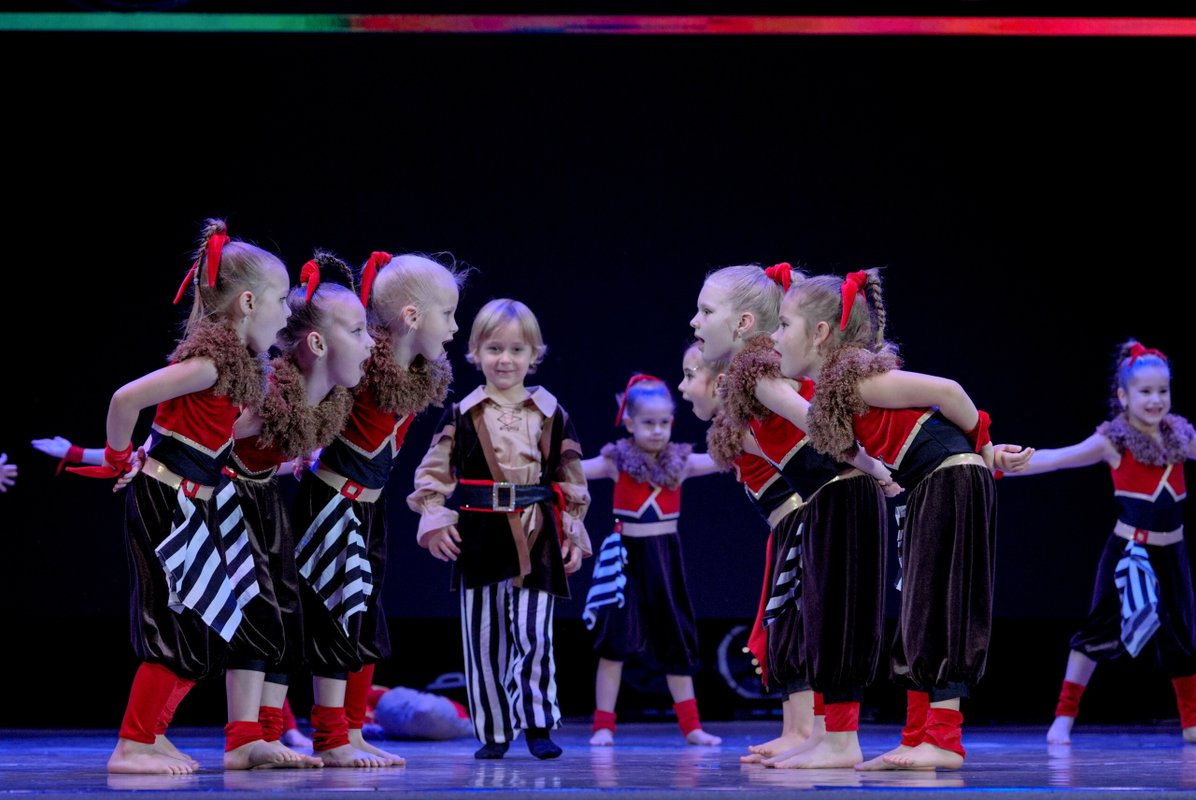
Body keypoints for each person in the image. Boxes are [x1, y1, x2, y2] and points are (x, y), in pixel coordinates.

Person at [771, 268, 1030, 770]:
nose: (776, 337)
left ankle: (945, 741)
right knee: (919, 611)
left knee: (943, 606)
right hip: (929, 483)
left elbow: (949, 392)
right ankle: (916, 737)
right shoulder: (837, 390)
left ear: (820, 333)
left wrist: (986, 449)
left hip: (949, 479)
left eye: (783, 325)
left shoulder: (861, 380)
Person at [70, 219, 291, 774]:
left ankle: (153, 733)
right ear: (247, 303)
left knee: (205, 619)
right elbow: (125, 400)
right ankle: (132, 745)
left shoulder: (235, 370)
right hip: (166, 502)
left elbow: (214, 431)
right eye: (283, 301)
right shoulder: (209, 364)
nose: (288, 314)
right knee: (174, 622)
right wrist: (119, 457)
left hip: (194, 503)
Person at [693, 262, 895, 769]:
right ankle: (825, 736)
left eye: (705, 312)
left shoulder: (759, 373)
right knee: (824, 621)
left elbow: (813, 419)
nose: (695, 323)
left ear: (742, 323)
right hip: (828, 497)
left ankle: (840, 741)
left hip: (843, 492)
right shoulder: (752, 374)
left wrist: (877, 468)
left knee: (839, 619)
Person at [290, 251, 462, 767]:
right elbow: (312, 394)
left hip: (369, 509)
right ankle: (328, 737)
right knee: (336, 616)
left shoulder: (417, 375)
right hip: (331, 504)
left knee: (365, 617)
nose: (454, 328)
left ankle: (352, 729)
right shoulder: (363, 366)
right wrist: (304, 449)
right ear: (412, 317)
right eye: (448, 315)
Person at [408, 298, 592, 760]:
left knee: (534, 633)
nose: (505, 359)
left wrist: (571, 530)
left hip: (536, 530)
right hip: (480, 535)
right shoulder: (462, 413)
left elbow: (570, 476)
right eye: (494, 348)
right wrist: (435, 518)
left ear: (534, 354)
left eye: (516, 349)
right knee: (484, 637)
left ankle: (537, 724)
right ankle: (493, 730)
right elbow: (433, 473)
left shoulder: (550, 412)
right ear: (475, 352)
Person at [218, 251, 374, 769]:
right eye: (359, 331)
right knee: (256, 611)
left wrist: (288, 466)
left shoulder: (325, 400)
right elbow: (207, 440)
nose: (371, 342)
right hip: (225, 500)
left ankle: (265, 735)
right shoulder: (267, 396)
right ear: (318, 344)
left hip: (261, 498)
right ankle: (241, 739)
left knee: (284, 613)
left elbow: (264, 456)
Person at [1001, 341, 1196, 744]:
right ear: (1124, 396)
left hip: (1172, 553)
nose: (1156, 400)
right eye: (1145, 391)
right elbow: (1056, 458)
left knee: (1181, 634)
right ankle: (1063, 718)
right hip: (1129, 553)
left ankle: (1192, 724)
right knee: (1098, 631)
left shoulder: (1181, 438)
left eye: (1163, 391)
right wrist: (999, 464)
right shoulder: (1113, 441)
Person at [580, 373, 722, 747]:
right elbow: (573, 470)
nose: (657, 431)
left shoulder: (682, 462)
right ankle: (603, 726)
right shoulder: (616, 461)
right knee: (614, 643)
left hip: (665, 559)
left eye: (663, 423)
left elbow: (724, 459)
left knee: (676, 640)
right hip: (625, 560)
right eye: (648, 423)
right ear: (629, 423)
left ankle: (692, 727)